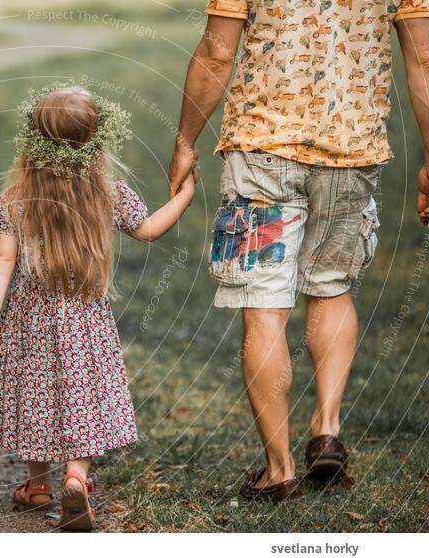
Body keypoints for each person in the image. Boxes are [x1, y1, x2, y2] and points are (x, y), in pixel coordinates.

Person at [169, 0, 429, 503]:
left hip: (260, 152)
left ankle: (279, 470)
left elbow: (217, 52)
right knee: (330, 288)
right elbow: (423, 60)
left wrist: (184, 140)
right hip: (352, 152)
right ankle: (326, 427)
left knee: (265, 305)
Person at [0, 85, 195, 530]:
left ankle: (38, 483)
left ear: (33, 141)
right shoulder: (107, 193)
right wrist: (185, 195)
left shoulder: (15, 198)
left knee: (36, 393)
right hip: (85, 318)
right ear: (97, 141)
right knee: (80, 393)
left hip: (28, 318)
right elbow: (149, 229)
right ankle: (77, 475)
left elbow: (3, 258)